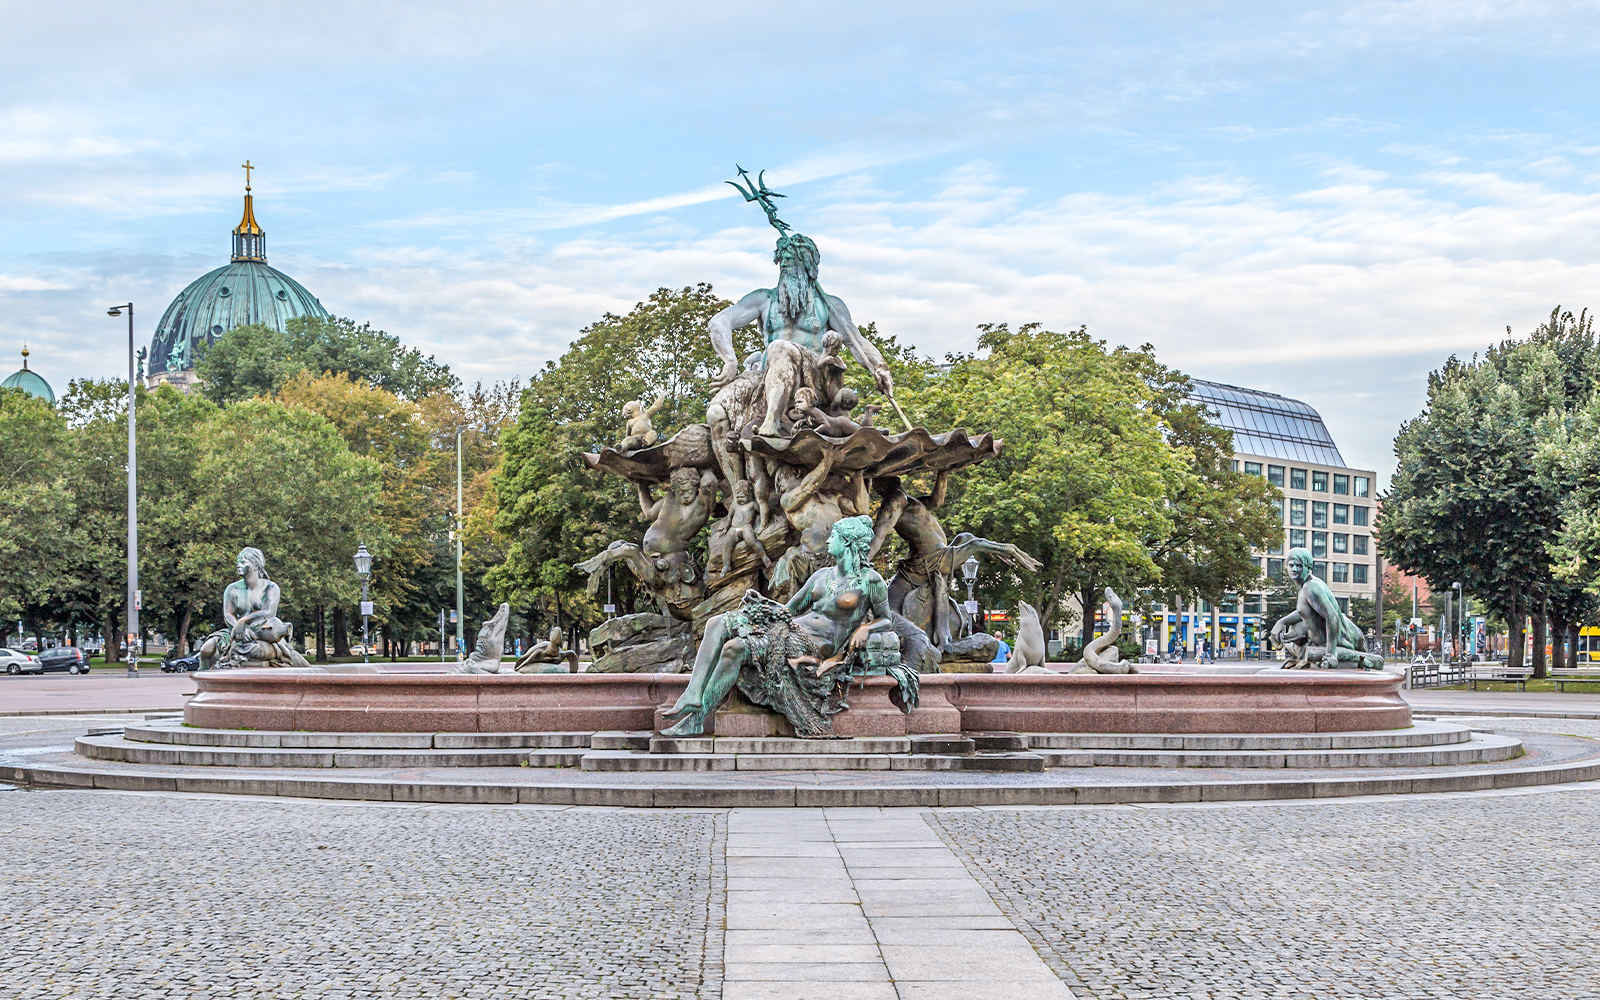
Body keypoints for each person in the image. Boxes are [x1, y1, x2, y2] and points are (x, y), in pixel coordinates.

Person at [661, 515, 894, 738]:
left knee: (735, 647)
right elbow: (789, 610)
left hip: (813, 644)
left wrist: (867, 628)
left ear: (848, 543)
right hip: (788, 627)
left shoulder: (871, 581)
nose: (829, 540)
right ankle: (693, 696)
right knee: (717, 622)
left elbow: (886, 619)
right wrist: (762, 602)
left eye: (834, 536)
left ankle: (696, 718)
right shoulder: (821, 575)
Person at [197, 547, 310, 670]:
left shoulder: (271, 587)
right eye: (238, 562)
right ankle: (204, 686)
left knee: (257, 650)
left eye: (243, 562)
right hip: (235, 630)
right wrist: (239, 628)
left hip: (262, 629)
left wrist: (243, 621)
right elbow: (228, 615)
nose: (238, 565)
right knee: (206, 649)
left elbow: (269, 613)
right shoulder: (232, 589)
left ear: (256, 565)